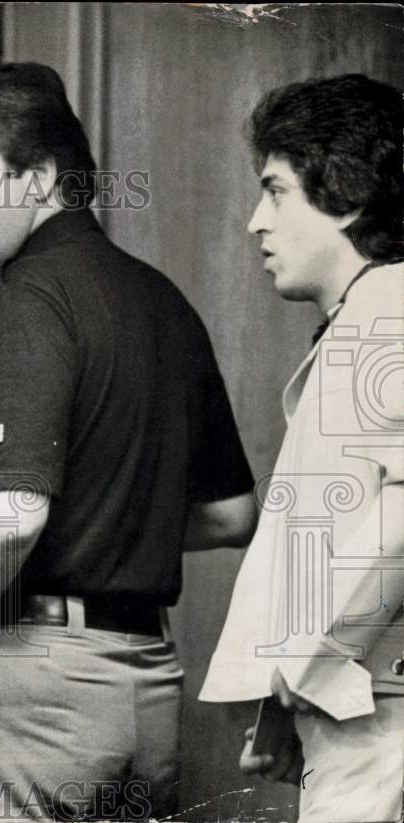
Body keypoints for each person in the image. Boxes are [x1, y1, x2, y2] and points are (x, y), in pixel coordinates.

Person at [0, 59, 258, 821]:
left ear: (37, 179)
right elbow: (233, 515)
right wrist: (109, 520)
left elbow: (16, 509)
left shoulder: (29, 294)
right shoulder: (163, 301)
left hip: (29, 695)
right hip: (148, 688)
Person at [200, 74, 404, 823]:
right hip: (362, 712)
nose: (256, 221)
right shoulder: (373, 313)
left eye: (276, 190)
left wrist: (307, 661)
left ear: (345, 196)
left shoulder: (388, 309)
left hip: (379, 726)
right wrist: (289, 703)